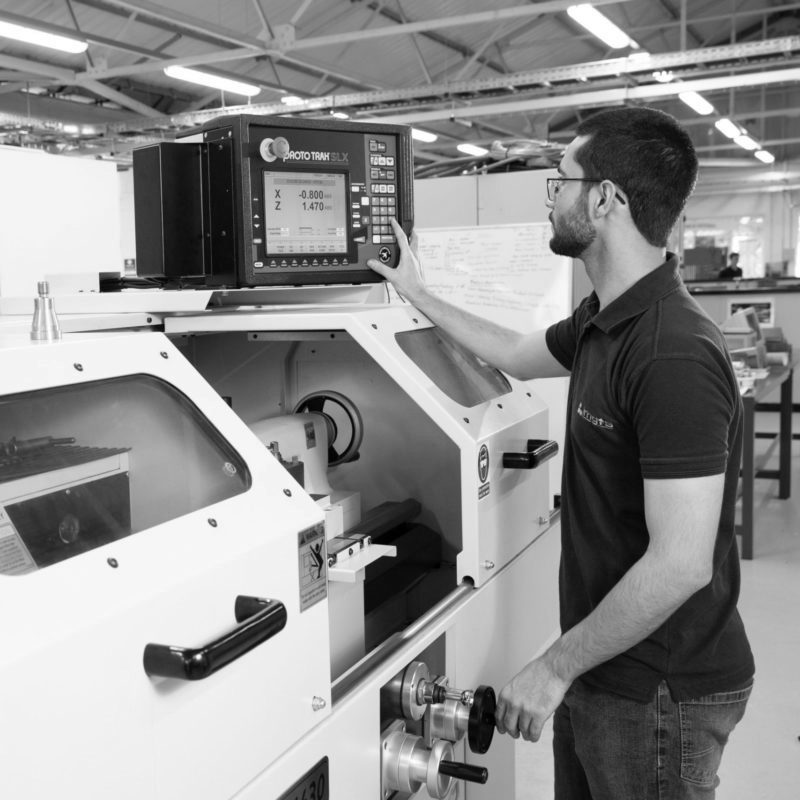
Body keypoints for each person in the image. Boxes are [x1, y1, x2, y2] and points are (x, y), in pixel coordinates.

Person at [367, 106, 753, 800]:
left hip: (659, 691)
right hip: (607, 668)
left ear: (605, 199)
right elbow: (514, 351)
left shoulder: (671, 352)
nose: (553, 199)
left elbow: (682, 562)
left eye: (561, 182)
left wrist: (551, 667)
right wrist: (417, 294)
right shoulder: (606, 321)